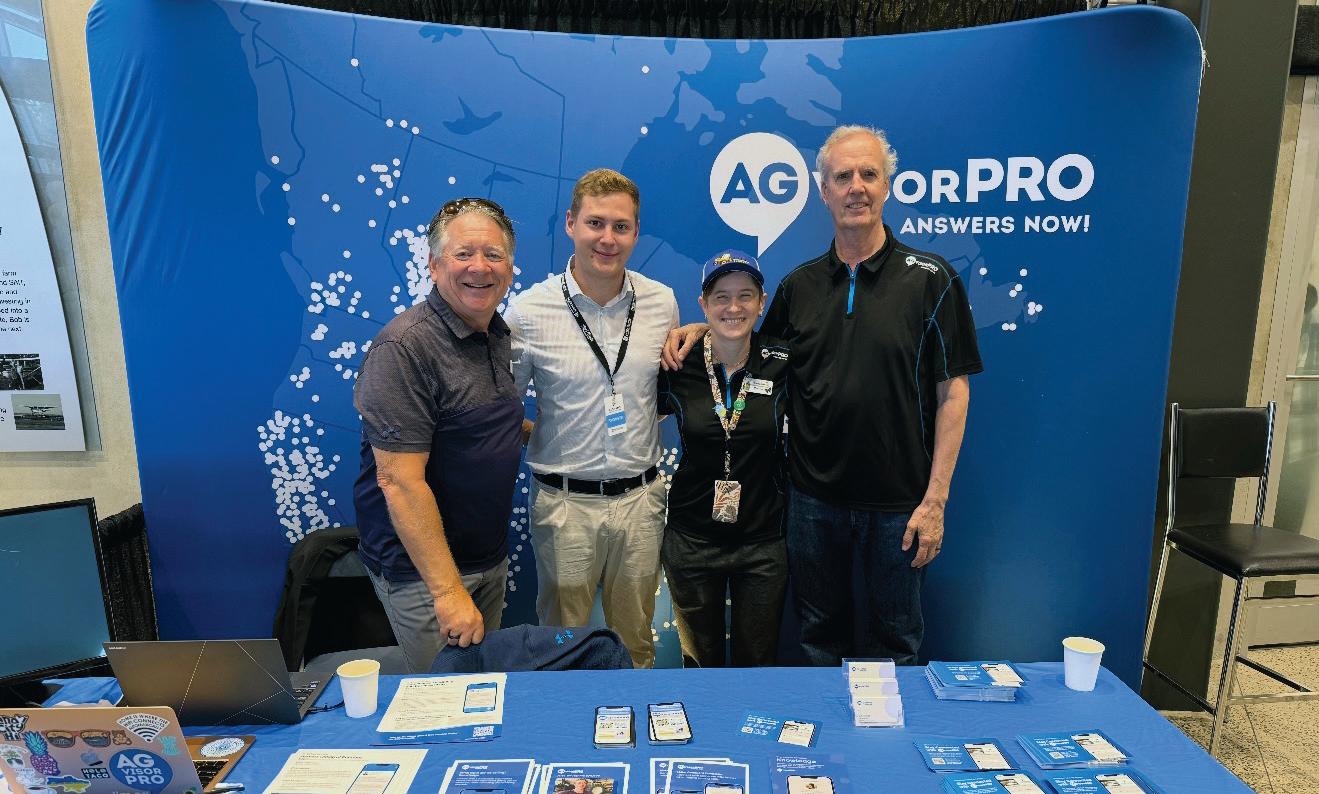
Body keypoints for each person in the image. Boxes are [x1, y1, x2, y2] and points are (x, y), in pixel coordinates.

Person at [664, 125, 982, 665]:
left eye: (868, 174)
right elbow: (749, 347)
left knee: (897, 644)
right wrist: (702, 330)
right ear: (823, 191)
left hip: (900, 505)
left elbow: (954, 394)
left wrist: (935, 502)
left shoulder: (932, 279)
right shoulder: (798, 287)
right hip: (811, 504)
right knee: (817, 641)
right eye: (843, 176)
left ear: (887, 186)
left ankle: (885, 729)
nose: (856, 187)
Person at [504, 168, 679, 668]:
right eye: (595, 223)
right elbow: (501, 409)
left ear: (636, 232)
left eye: (621, 227)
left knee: (637, 644)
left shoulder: (661, 301)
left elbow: (662, 392)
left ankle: (636, 719)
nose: (608, 239)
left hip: (641, 502)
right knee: (562, 650)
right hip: (565, 507)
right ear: (570, 224)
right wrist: (549, 437)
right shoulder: (529, 312)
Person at [352, 197, 523, 672]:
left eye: (493, 255)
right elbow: (399, 481)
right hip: (426, 578)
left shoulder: (495, 332)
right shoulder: (404, 348)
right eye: (463, 254)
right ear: (433, 265)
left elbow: (469, 424)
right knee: (443, 699)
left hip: (487, 559)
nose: (479, 267)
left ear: (510, 268)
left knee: (482, 690)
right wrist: (447, 593)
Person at [656, 250, 790, 667]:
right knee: (700, 666)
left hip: (762, 541)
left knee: (757, 664)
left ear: (761, 302)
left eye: (745, 296)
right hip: (692, 539)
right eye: (721, 297)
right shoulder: (677, 362)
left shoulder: (785, 362)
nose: (734, 307)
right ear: (703, 304)